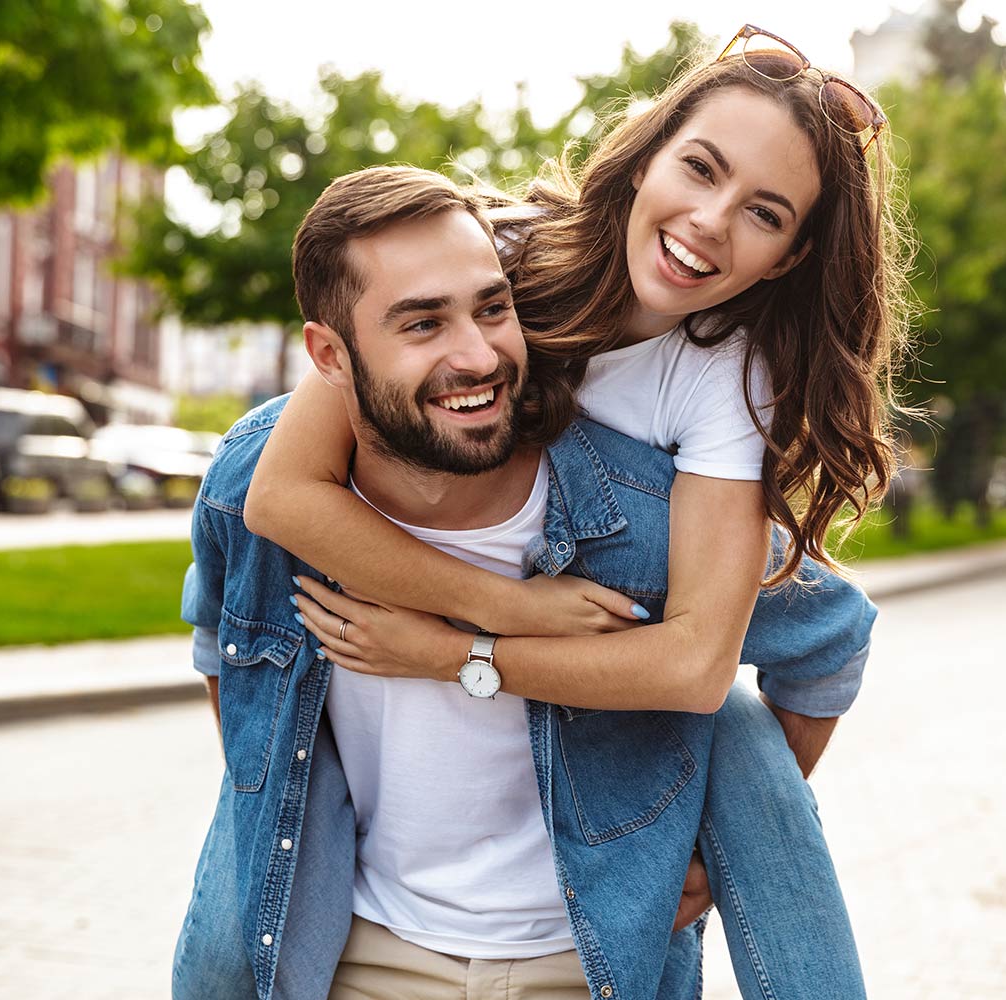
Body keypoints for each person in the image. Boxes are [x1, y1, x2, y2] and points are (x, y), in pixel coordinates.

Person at [173, 164, 875, 1000]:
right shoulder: (254, 492)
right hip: (353, 960)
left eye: (493, 308)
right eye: (422, 323)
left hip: (586, 968)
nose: (474, 355)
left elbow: (828, 635)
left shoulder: (630, 524)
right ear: (330, 354)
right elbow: (224, 652)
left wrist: (706, 848)